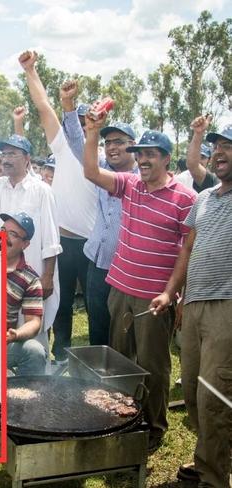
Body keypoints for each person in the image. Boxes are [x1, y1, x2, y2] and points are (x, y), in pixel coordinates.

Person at [83, 113, 197, 452]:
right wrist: (91, 133)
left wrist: (171, 293)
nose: (142, 159)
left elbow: (187, 251)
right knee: (120, 360)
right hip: (119, 289)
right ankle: (123, 418)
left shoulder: (185, 198)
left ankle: (154, 426)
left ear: (165, 158)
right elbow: (90, 171)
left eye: (150, 154)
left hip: (154, 300)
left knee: (154, 366)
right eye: (140, 153)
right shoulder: (129, 185)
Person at [151, 123, 232, 487]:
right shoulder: (203, 199)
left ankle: (214, 478)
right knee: (192, 393)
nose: (219, 153)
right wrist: (173, 293)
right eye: (216, 147)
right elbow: (187, 249)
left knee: (214, 393)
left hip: (226, 306)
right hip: (195, 303)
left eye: (228, 147)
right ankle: (208, 459)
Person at [20, 61, 96, 364]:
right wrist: (30, 71)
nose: (77, 126)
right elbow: (43, 108)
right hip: (61, 243)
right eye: (74, 121)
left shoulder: (101, 158)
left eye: (84, 121)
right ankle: (61, 359)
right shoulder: (63, 148)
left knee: (96, 308)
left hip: (92, 247)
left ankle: (94, 363)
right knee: (60, 306)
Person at [62, 81, 138, 348]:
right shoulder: (101, 168)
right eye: (108, 143)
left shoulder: (143, 179)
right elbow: (75, 142)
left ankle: (123, 384)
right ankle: (97, 385)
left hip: (128, 268)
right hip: (97, 262)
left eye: (119, 142)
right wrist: (68, 106)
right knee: (98, 327)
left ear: (134, 146)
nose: (112, 147)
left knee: (125, 332)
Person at [0, 211, 45, 375]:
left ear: (25, 244)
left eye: (12, 234)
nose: (4, 237)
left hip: (0, 343)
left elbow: (34, 322)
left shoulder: (30, 279)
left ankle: (21, 398)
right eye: (2, 230)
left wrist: (16, 334)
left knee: (34, 351)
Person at [176, 114, 219, 192]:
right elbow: (193, 165)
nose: (198, 160)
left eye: (202, 157)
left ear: (209, 160)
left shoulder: (218, 180)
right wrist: (198, 133)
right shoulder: (181, 178)